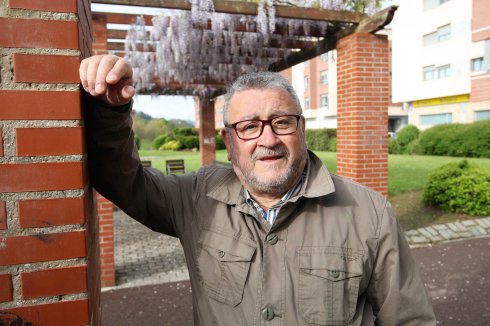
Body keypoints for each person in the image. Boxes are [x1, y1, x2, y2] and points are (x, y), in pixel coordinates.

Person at [80, 54, 436, 325]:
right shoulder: (196, 198)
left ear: (302, 129)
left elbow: (410, 320)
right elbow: (123, 181)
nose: (268, 139)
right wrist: (110, 111)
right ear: (229, 140)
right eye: (249, 126)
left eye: (281, 122)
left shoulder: (369, 213)